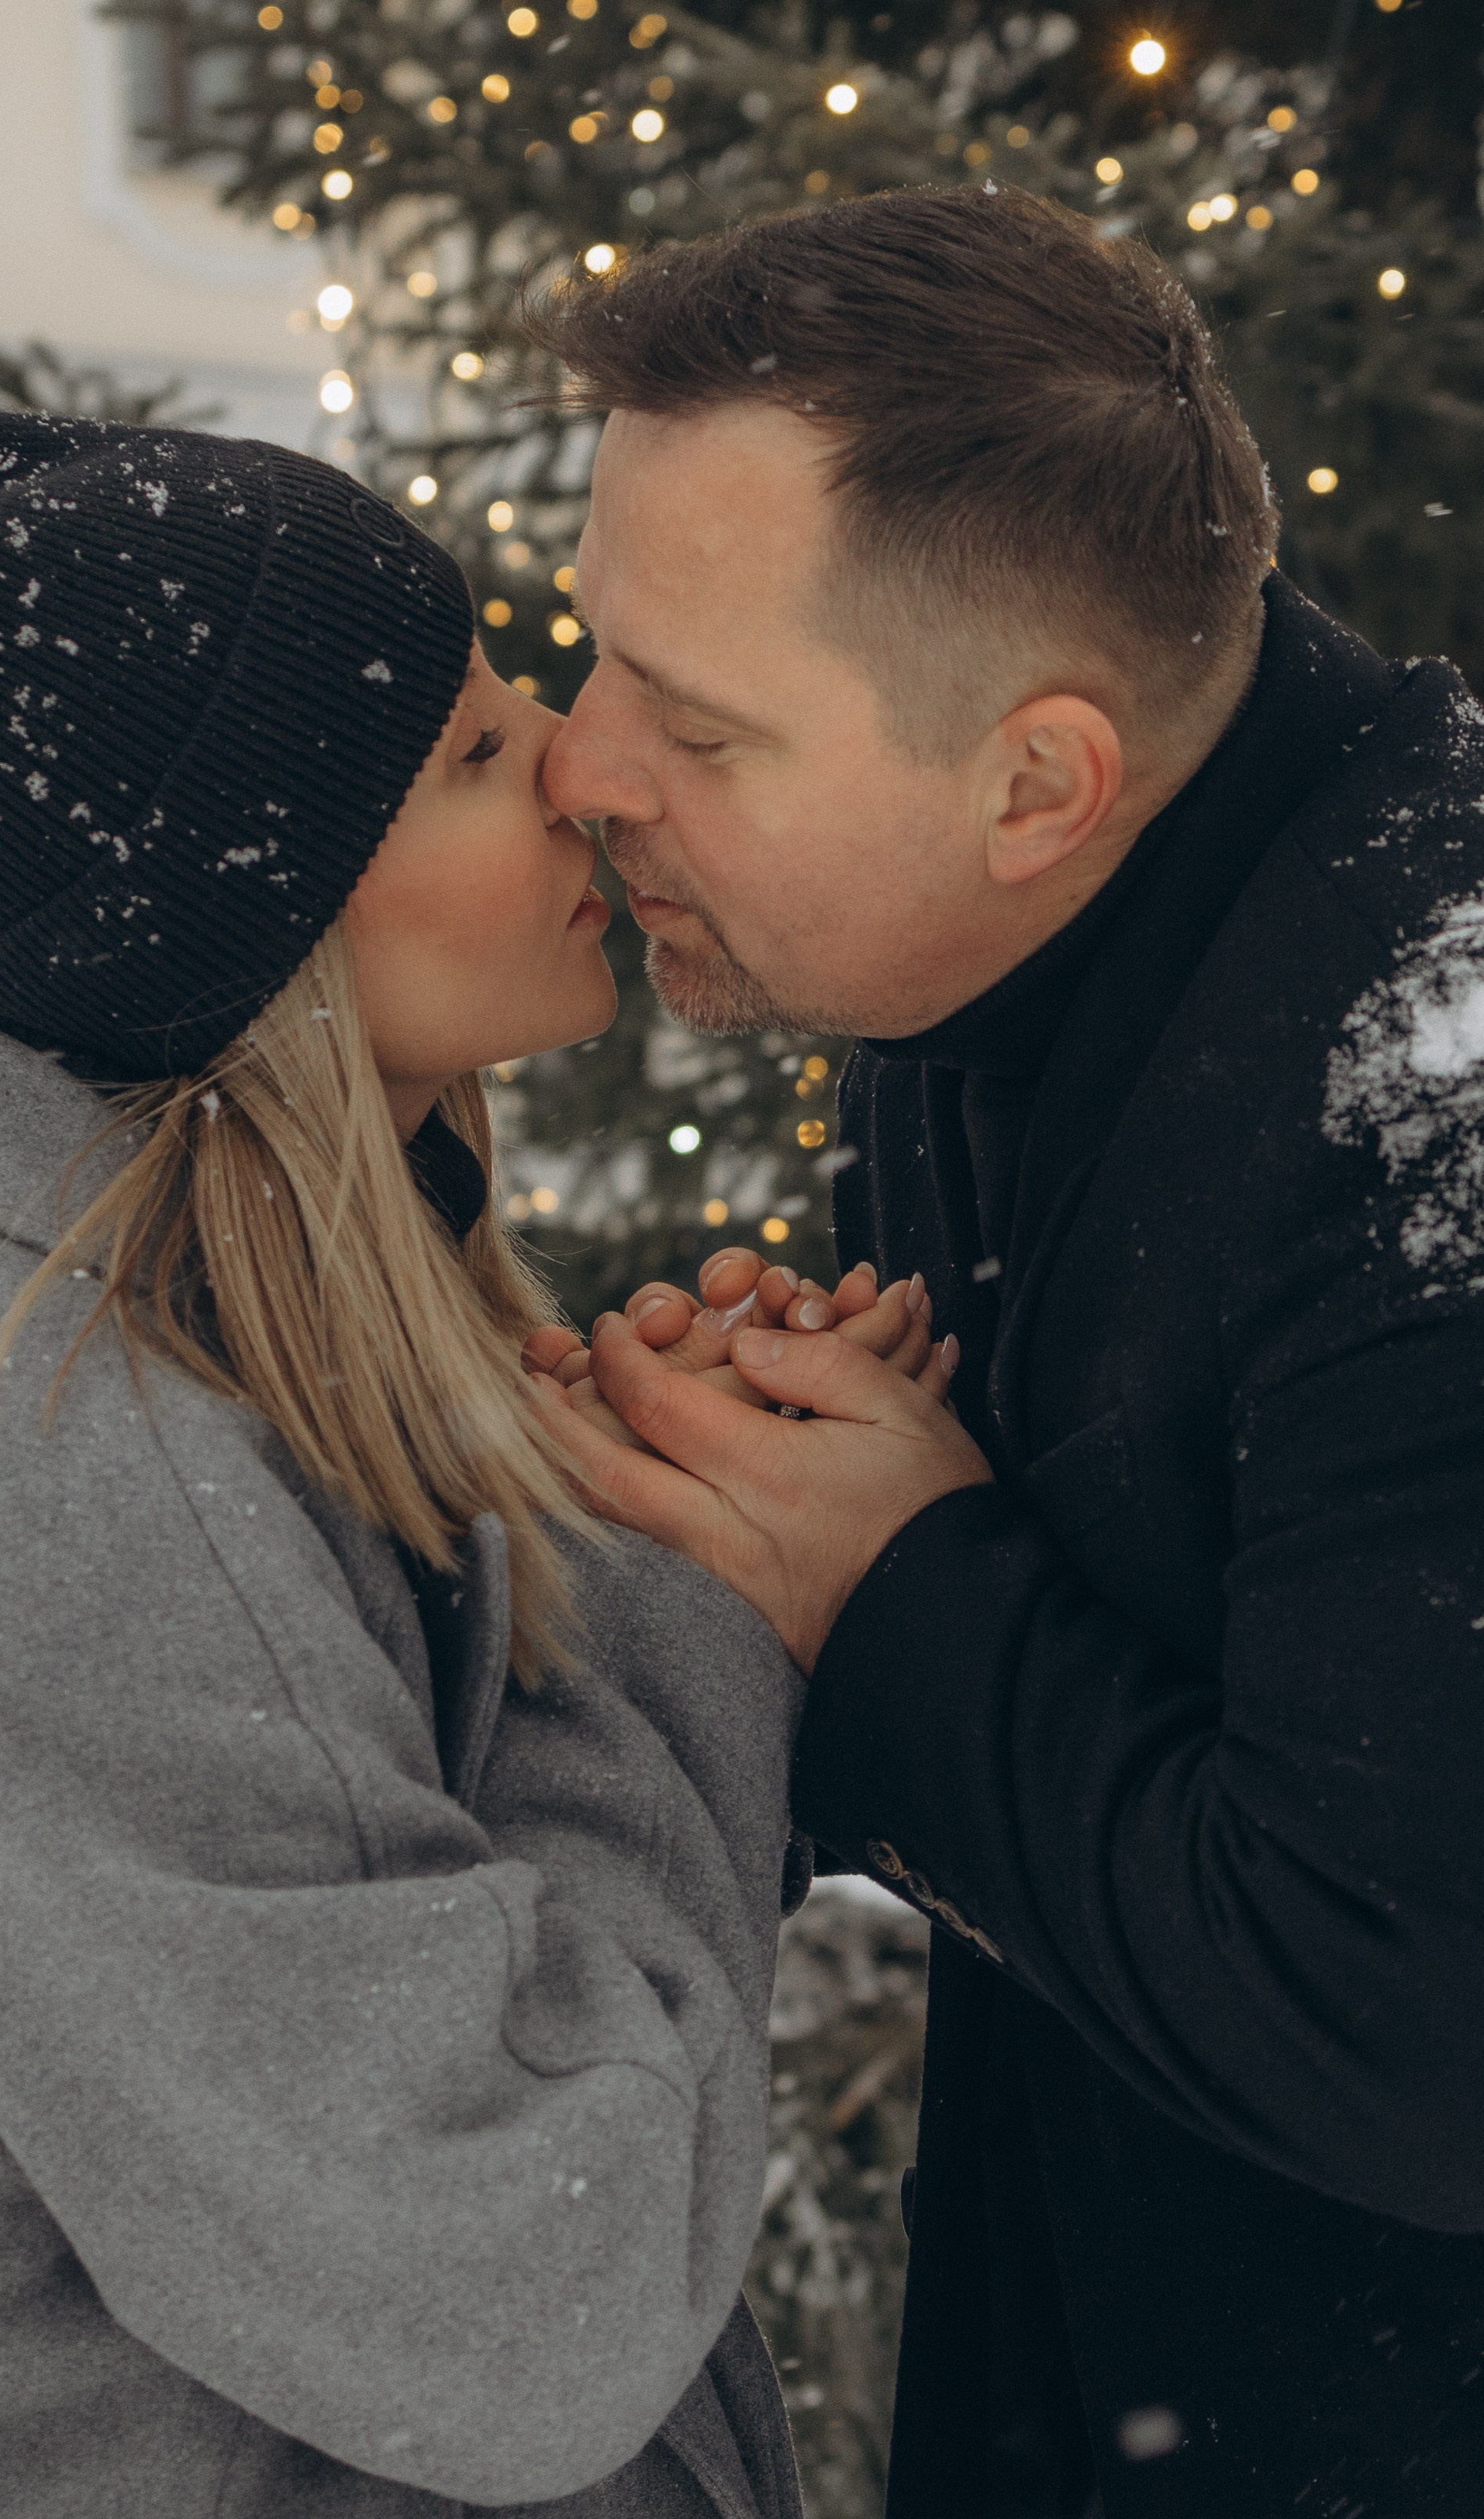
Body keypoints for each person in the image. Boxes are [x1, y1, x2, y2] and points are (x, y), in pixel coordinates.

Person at [0, 388, 931, 2517]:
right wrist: (674, 1587)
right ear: (259, 918)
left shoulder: (200, 1332)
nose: (579, 770)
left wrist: (609, 1509)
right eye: (476, 757)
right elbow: (525, 2308)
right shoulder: (81, 1486)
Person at [523, 188, 1484, 2515]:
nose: (579, 765)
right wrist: (728, 1525)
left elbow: (1420, 2027)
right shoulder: (985, 955)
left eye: (695, 721)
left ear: (1040, 782)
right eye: (595, 654)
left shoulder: (1439, 1112)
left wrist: (885, 1587)